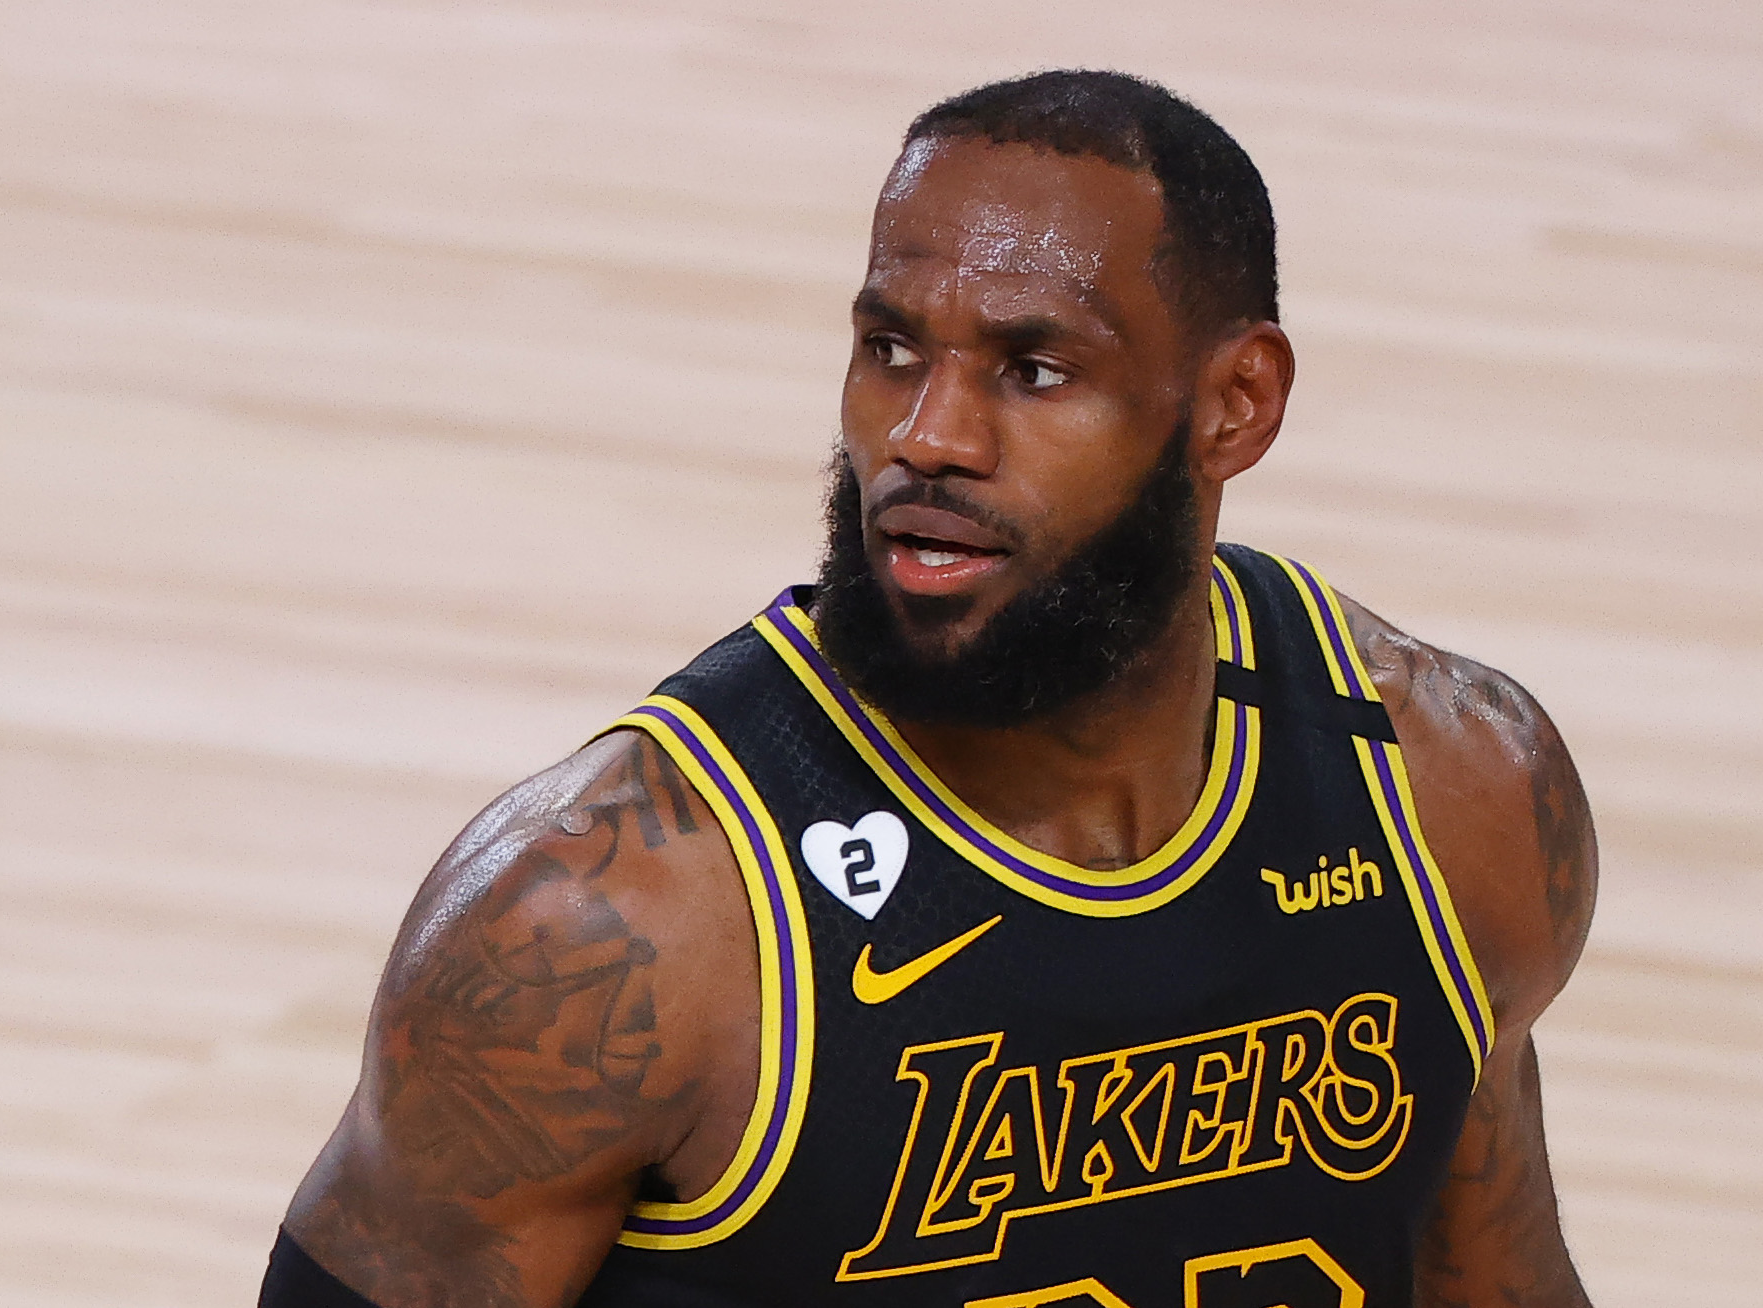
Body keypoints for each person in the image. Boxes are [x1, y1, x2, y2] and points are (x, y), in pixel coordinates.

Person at [258, 70, 1598, 1308]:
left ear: (1234, 404)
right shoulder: (611, 922)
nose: (926, 437)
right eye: (892, 348)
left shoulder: (1446, 786)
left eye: (1034, 368)